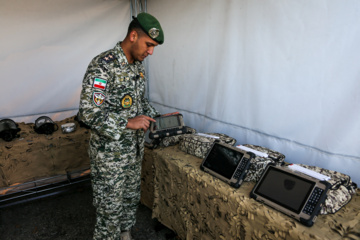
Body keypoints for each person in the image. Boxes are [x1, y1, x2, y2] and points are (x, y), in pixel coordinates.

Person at [78, 12, 164, 240]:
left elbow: (140, 102)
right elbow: (88, 112)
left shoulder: (137, 66)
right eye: (149, 44)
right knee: (110, 212)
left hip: (133, 152)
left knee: (129, 202)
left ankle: (125, 234)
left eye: (154, 46)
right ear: (133, 36)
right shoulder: (102, 66)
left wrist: (158, 117)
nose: (151, 51)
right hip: (110, 158)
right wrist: (127, 123)